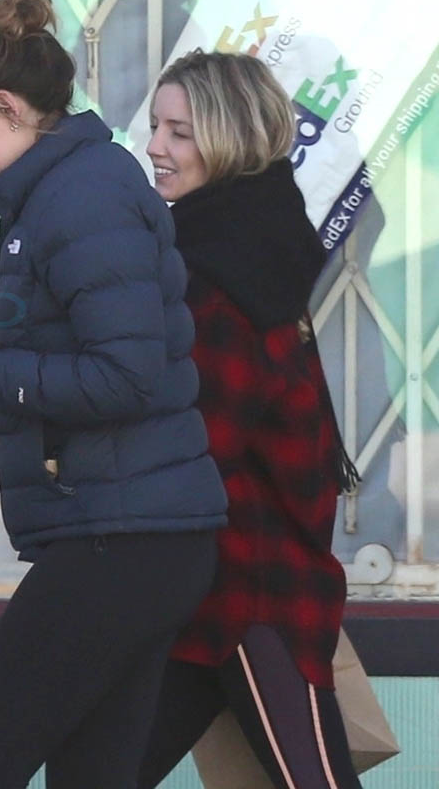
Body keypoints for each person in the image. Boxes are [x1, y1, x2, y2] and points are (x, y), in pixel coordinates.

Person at [0, 0, 228, 789]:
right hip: (141, 535)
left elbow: (125, 376)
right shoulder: (67, 188)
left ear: (8, 106)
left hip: (123, 538)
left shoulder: (82, 195)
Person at [137, 48, 362, 789]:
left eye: (180, 132)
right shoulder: (254, 236)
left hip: (250, 589)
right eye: (157, 127)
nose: (156, 148)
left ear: (228, 139)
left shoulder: (220, 263)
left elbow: (210, 434)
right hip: (216, 586)